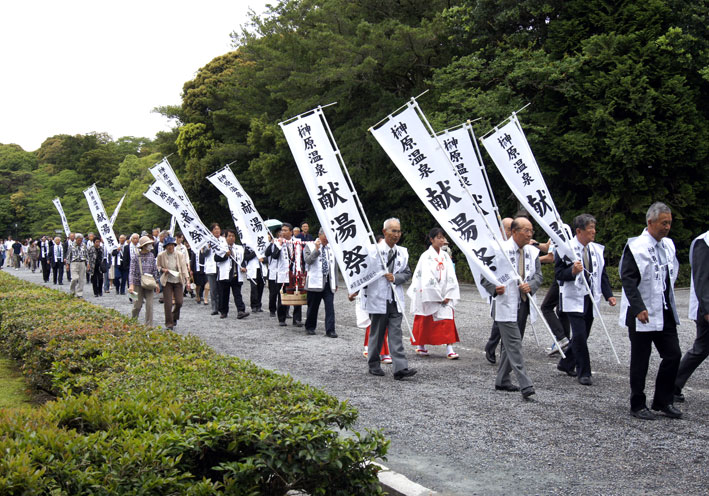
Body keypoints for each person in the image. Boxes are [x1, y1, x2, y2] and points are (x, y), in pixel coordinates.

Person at [620, 202, 682, 420]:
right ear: (650, 222)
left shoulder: (668, 245)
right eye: (663, 223)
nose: (667, 227)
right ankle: (637, 404)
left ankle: (663, 400)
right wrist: (638, 307)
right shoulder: (637, 246)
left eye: (669, 223)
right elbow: (628, 279)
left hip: (664, 310)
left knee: (673, 354)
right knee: (641, 360)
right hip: (641, 313)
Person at [481, 216, 542, 400]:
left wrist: (531, 285)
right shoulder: (499, 250)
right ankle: (526, 384)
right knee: (514, 343)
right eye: (526, 230)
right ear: (514, 232)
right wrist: (494, 288)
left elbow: (538, 276)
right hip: (505, 303)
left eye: (531, 230)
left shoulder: (532, 252)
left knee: (511, 344)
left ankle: (502, 379)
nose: (530, 234)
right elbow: (485, 277)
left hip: (523, 302)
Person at [555, 214, 616, 385]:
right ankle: (584, 372)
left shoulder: (596, 249)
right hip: (573, 298)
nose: (594, 232)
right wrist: (572, 272)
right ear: (579, 231)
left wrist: (608, 294)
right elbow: (558, 274)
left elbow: (601, 274)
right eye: (590, 229)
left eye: (594, 229)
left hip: (590, 298)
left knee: (584, 335)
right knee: (580, 336)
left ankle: (566, 363)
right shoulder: (566, 249)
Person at [359, 218, 416, 380]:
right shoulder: (372, 250)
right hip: (377, 297)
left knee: (396, 333)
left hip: (395, 299)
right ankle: (374, 363)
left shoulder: (403, 252)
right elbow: (362, 272)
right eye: (393, 231)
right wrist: (355, 290)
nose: (396, 235)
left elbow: (407, 273)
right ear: (385, 232)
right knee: (377, 333)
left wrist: (396, 277)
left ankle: (400, 368)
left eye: (398, 231)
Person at [407, 227, 461, 359]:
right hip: (429, 292)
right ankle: (421, 345)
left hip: (444, 290)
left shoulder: (446, 257)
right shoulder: (425, 256)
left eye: (443, 237)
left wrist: (448, 294)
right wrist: (436, 294)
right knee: (425, 318)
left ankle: (449, 348)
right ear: (431, 239)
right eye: (439, 237)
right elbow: (426, 277)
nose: (442, 240)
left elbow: (451, 276)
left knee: (447, 319)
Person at [674, 229, 709, 403]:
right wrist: (707, 309)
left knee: (701, 348)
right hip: (706, 308)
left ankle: (673, 385)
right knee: (701, 348)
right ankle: (672, 385)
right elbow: (701, 279)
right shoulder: (704, 242)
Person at [484, 217, 513, 364]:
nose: (511, 232)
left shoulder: (518, 246)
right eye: (509, 228)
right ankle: (491, 346)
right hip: (499, 290)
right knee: (499, 321)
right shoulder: (494, 247)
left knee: (511, 322)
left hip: (514, 292)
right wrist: (494, 288)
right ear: (501, 230)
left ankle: (505, 353)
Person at [304, 228, 338, 337]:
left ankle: (330, 329)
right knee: (313, 307)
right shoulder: (309, 245)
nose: (327, 239)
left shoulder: (332, 248)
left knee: (330, 307)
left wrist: (336, 282)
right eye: (325, 236)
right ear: (319, 235)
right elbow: (308, 261)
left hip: (328, 282)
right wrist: (317, 250)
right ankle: (310, 326)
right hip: (315, 282)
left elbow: (334, 267)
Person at [272, 223, 304, 327]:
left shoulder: (297, 242)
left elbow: (302, 257)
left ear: (291, 232)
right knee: (282, 296)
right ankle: (282, 318)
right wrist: (279, 246)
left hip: (296, 272)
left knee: (297, 295)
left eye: (286, 230)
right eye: (282, 230)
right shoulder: (278, 242)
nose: (283, 232)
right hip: (283, 273)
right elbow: (274, 256)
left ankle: (297, 319)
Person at [214, 229, 249, 319]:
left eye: (233, 236)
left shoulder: (239, 248)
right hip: (224, 275)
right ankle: (223, 312)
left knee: (237, 294)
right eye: (229, 236)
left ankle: (241, 311)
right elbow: (216, 258)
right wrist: (225, 255)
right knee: (224, 294)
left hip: (236, 274)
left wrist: (244, 267)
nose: (231, 238)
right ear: (225, 237)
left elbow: (242, 260)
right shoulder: (221, 247)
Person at [156, 236, 190, 330]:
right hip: (167, 280)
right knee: (168, 303)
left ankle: (174, 316)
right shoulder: (161, 255)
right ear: (165, 247)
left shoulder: (179, 255)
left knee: (179, 302)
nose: (170, 247)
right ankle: (169, 323)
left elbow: (184, 268)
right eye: (168, 246)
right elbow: (158, 266)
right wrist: (163, 269)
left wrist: (187, 280)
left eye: (171, 245)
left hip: (178, 280)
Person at [129, 235, 159, 326]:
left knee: (150, 305)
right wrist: (131, 284)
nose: (150, 245)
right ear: (144, 246)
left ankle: (149, 325)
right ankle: (133, 321)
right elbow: (132, 271)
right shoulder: (136, 257)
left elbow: (154, 270)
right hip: (138, 284)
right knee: (137, 305)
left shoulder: (151, 256)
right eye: (148, 244)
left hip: (149, 283)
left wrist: (157, 282)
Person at [204, 223, 222, 316]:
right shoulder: (207, 241)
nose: (217, 231)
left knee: (221, 288)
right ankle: (214, 307)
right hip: (211, 268)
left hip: (221, 267)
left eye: (218, 229)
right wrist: (208, 247)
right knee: (213, 289)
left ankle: (221, 307)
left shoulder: (223, 240)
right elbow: (204, 254)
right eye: (215, 229)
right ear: (211, 231)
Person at [265, 230, 281, 316]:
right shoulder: (272, 244)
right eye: (279, 234)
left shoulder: (286, 244)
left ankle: (284, 311)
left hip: (282, 272)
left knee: (283, 293)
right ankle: (272, 309)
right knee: (273, 293)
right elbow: (267, 253)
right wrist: (272, 243)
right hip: (273, 272)